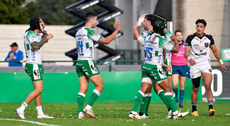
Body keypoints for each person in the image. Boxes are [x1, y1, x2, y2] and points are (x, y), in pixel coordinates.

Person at [130, 14, 181, 120]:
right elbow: (175, 49)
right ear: (162, 30)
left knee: (142, 90)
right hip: (155, 67)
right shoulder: (161, 39)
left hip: (146, 66)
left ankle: (134, 112)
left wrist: (136, 26)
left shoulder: (148, 37)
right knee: (167, 89)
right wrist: (176, 39)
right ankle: (175, 112)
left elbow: (139, 39)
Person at [76, 12, 120, 119]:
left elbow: (78, 47)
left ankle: (80, 114)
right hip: (87, 62)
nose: (97, 21)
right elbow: (106, 41)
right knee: (100, 86)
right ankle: (89, 107)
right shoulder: (89, 32)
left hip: (80, 61)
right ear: (90, 20)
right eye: (96, 19)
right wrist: (116, 31)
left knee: (83, 89)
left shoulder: (79, 32)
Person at [185, 19, 227, 116]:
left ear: (204, 28)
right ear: (195, 27)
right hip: (194, 65)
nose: (199, 28)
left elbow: (215, 51)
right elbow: (186, 51)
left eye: (201, 27)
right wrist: (189, 59)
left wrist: (221, 63)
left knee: (208, 86)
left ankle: (211, 109)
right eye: (197, 26)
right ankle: (194, 110)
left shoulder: (209, 37)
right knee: (195, 88)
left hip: (205, 64)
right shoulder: (190, 38)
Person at [15, 17, 54, 119]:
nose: (42, 24)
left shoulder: (35, 34)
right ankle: (21, 108)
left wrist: (44, 30)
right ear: (36, 24)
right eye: (40, 22)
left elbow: (43, 41)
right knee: (39, 89)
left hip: (34, 64)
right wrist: (47, 37)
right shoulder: (31, 33)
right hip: (33, 64)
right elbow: (36, 46)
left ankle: (40, 113)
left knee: (37, 89)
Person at [171, 30, 188, 108]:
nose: (179, 37)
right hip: (174, 66)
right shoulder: (172, 44)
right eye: (177, 35)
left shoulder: (186, 45)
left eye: (180, 35)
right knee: (175, 84)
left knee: (182, 85)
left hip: (184, 66)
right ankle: (176, 98)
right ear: (175, 37)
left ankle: (181, 103)